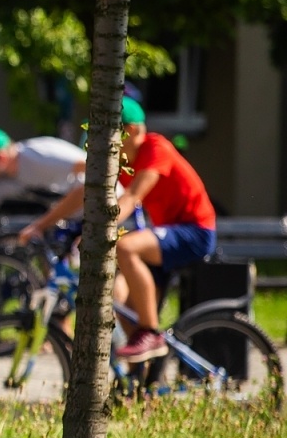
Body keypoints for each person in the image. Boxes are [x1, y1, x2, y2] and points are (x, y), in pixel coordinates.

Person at [19, 97, 216, 363]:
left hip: (194, 232)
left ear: (132, 130)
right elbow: (84, 193)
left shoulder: (155, 148)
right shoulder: (124, 161)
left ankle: (149, 333)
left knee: (125, 247)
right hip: (165, 236)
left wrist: (102, 228)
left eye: (109, 134)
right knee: (119, 300)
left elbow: (133, 196)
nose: (103, 142)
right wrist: (41, 225)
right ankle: (141, 381)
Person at [0, 126, 86, 223]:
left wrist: (40, 226)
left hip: (93, 208)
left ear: (1, 158)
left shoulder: (40, 156)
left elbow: (89, 167)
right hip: (71, 221)